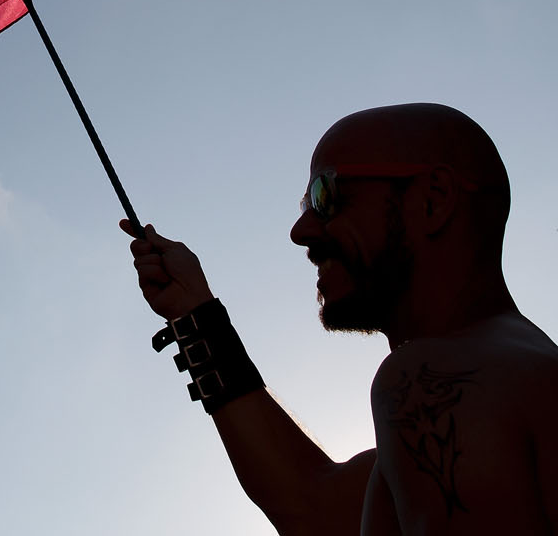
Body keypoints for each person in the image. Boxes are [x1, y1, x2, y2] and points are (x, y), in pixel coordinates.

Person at [123, 103, 557, 534]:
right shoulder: (514, 374)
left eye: (325, 196)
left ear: (434, 198)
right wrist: (195, 313)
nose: (301, 232)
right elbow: (312, 504)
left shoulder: (435, 379)